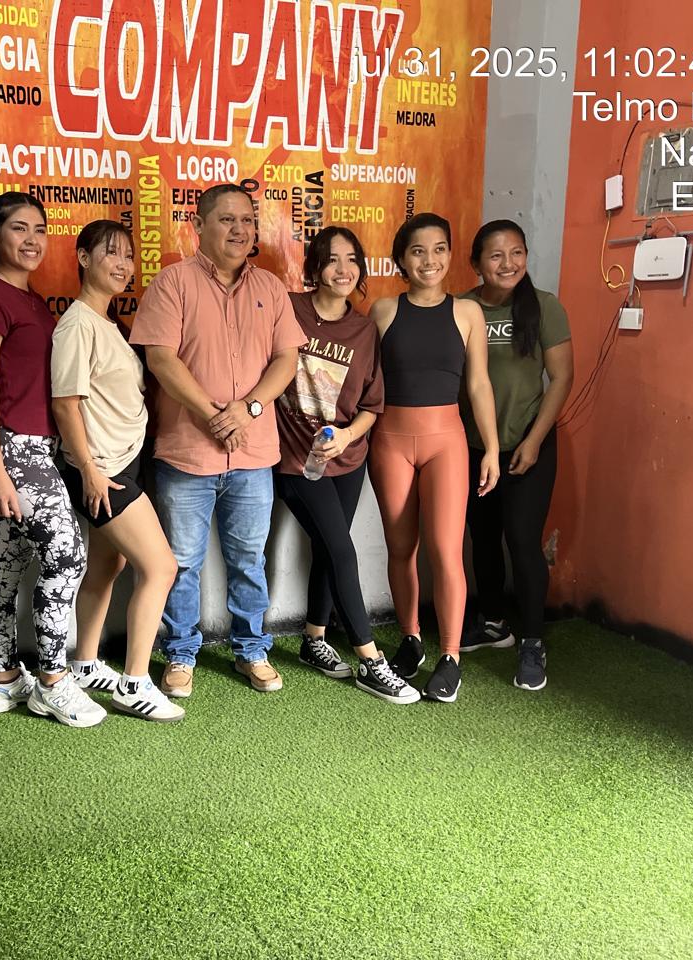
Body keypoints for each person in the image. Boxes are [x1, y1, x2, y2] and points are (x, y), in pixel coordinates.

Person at [129, 184, 306, 697]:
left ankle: (252, 649)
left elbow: (286, 359)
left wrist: (247, 409)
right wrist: (212, 415)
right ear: (198, 225)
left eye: (248, 220)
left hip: (253, 454)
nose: (239, 229)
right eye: (227, 219)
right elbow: (160, 358)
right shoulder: (172, 283)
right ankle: (180, 653)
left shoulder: (270, 287)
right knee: (181, 563)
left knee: (249, 560)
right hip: (186, 453)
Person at [0, 192, 103, 728]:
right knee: (66, 557)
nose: (32, 239)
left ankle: (3, 679)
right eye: (19, 228)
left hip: (36, 447)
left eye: (40, 229)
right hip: (11, 449)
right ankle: (52, 681)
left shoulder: (33, 301)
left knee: (7, 563)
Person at [273, 227, 419, 705]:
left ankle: (314, 638)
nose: (343, 269)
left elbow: (372, 406)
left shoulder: (364, 330)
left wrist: (347, 439)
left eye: (352, 259)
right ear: (315, 267)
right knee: (342, 549)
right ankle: (371, 661)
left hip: (348, 457)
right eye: (332, 259)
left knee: (327, 547)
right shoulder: (288, 309)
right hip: (296, 460)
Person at [50, 220, 184, 722]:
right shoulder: (77, 325)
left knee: (109, 566)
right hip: (102, 470)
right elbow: (65, 404)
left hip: (123, 462)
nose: (123, 264)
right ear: (83, 257)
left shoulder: (108, 323)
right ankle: (134, 683)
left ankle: (85, 664)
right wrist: (87, 469)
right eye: (111, 253)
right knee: (161, 567)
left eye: (128, 255)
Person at [368, 212, 500, 703]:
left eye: (440, 249)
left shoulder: (468, 313)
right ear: (402, 259)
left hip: (447, 441)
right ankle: (410, 638)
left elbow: (479, 384)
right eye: (418, 251)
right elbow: (365, 383)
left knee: (446, 550)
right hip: (390, 441)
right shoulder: (383, 311)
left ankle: (450, 655)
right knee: (401, 547)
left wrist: (490, 448)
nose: (430, 260)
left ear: (450, 254)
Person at [458, 220, 573, 692]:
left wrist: (533, 440)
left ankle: (532, 640)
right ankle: (493, 623)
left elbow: (561, 378)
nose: (508, 264)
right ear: (476, 263)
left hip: (529, 442)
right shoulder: (462, 308)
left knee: (523, 541)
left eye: (517, 253)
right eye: (496, 255)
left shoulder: (544, 306)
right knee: (482, 536)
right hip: (473, 445)